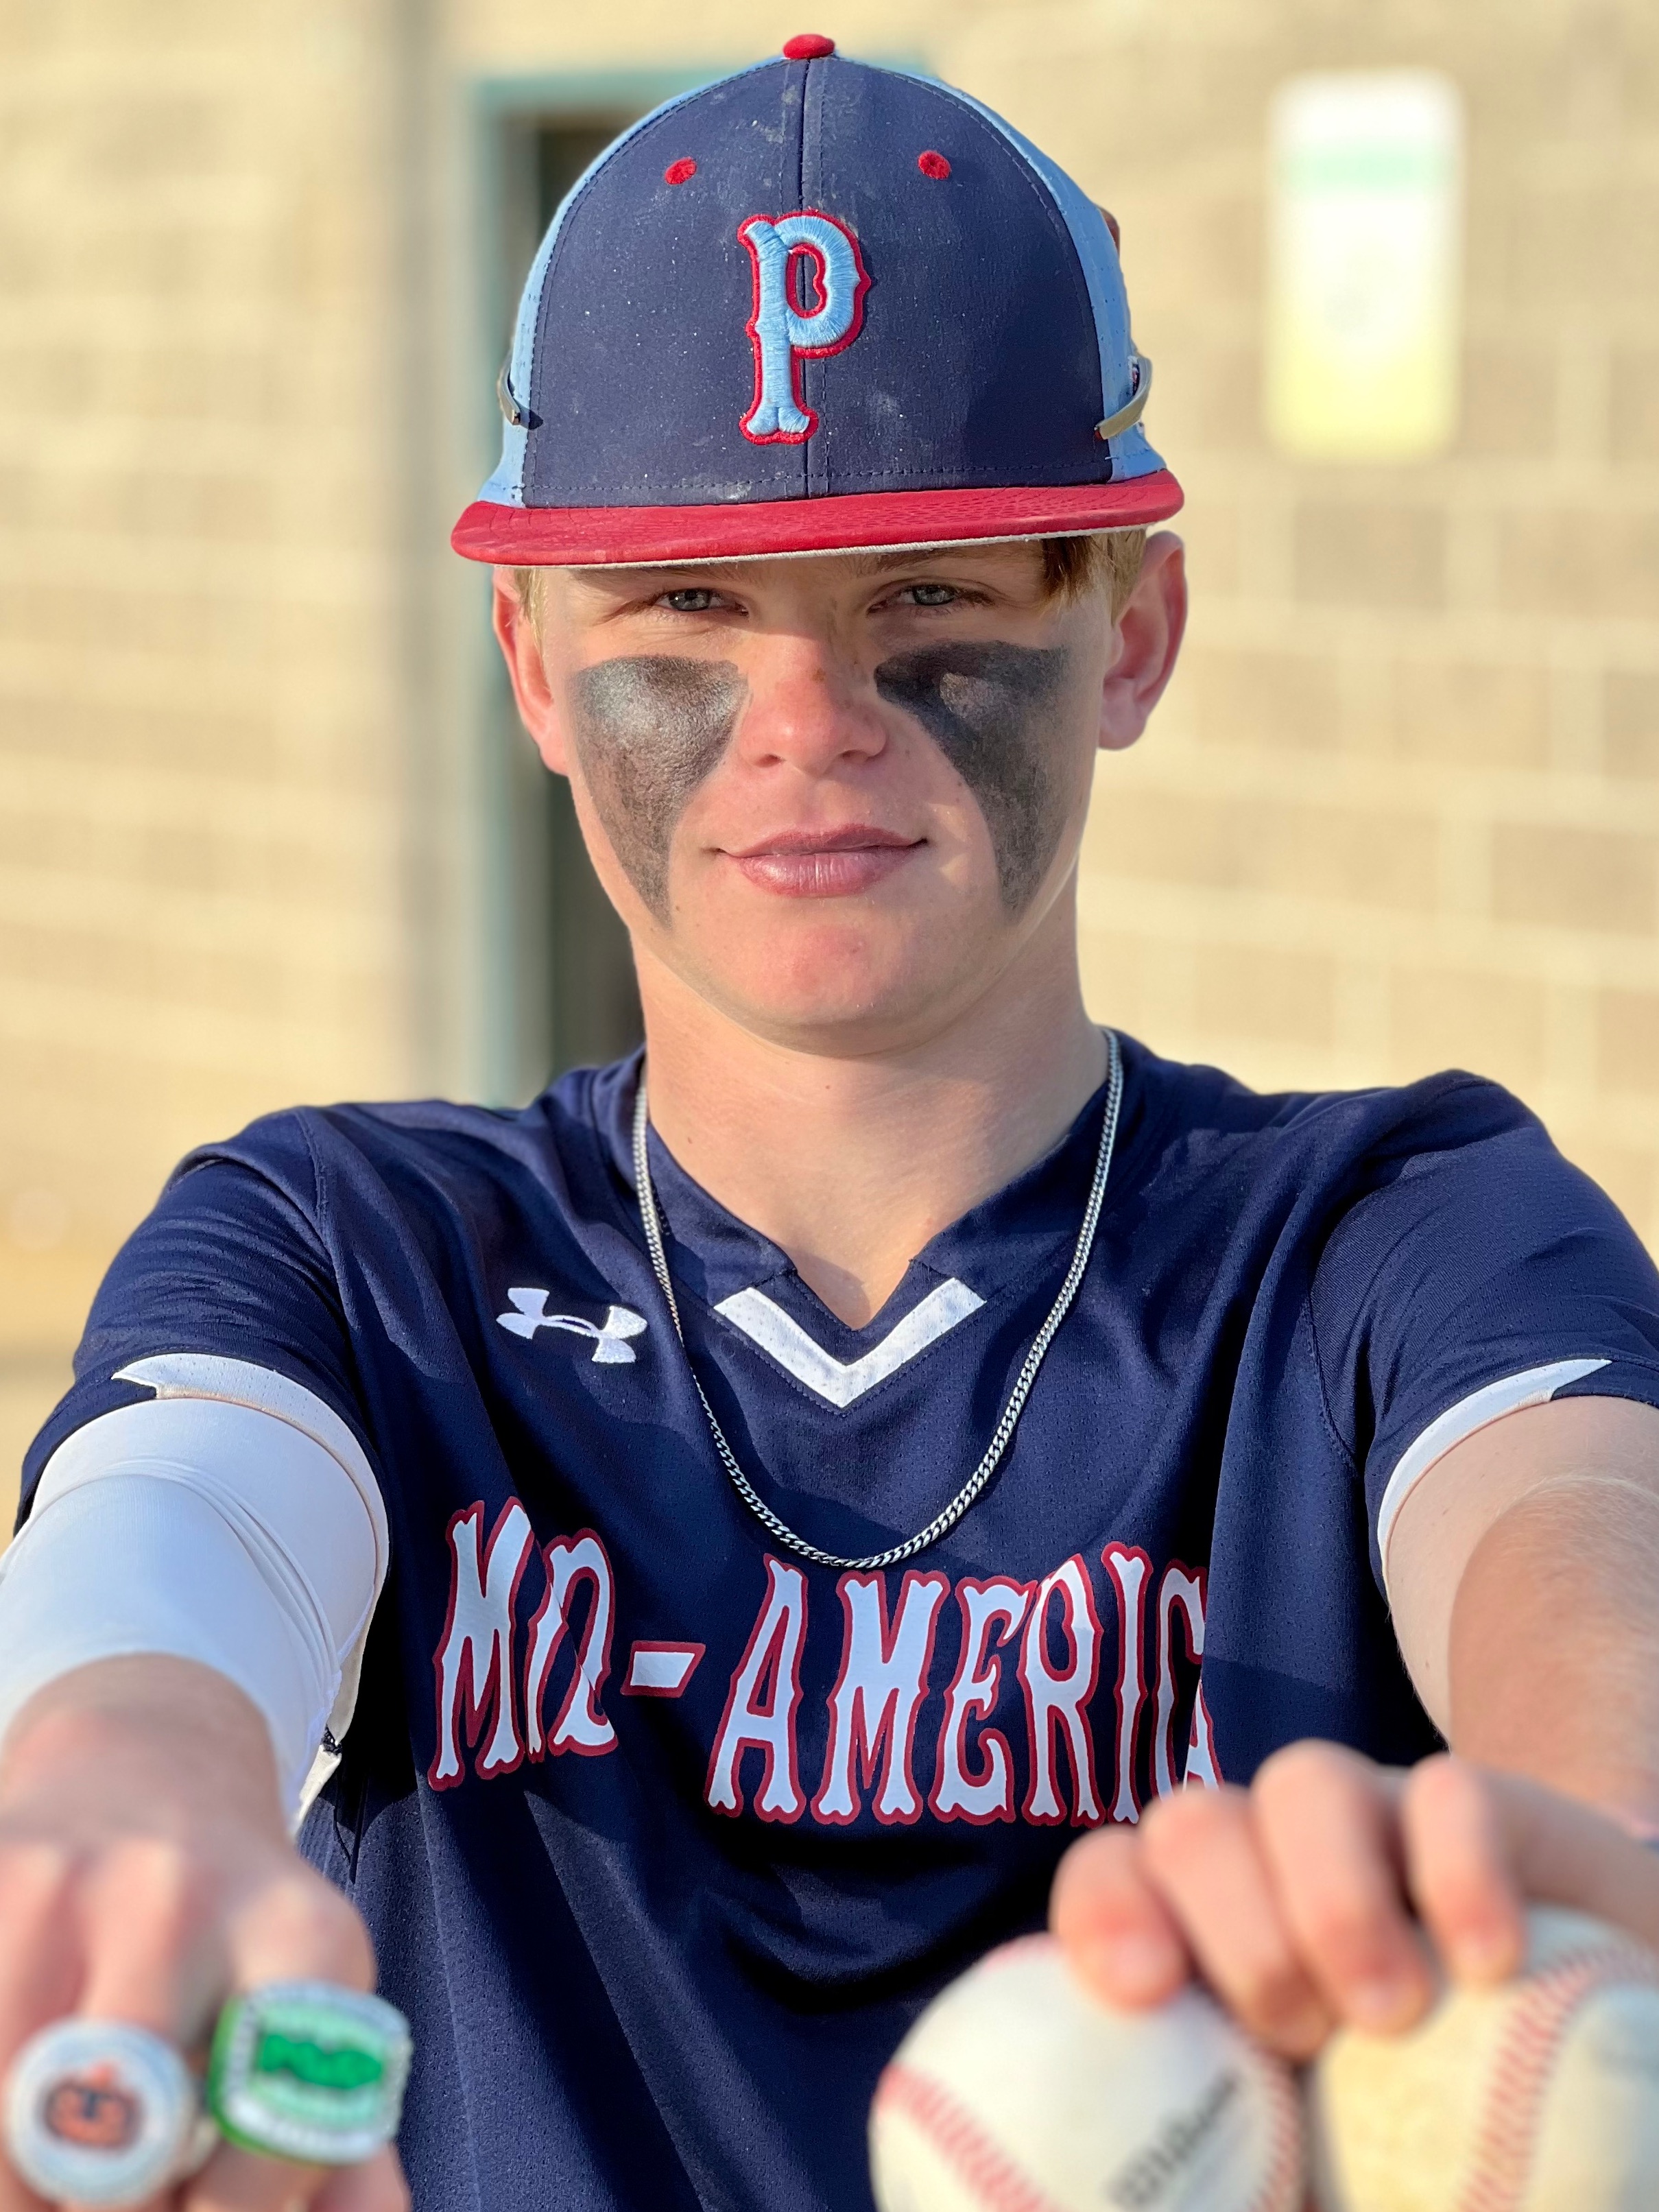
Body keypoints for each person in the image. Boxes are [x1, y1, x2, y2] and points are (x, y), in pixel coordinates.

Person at [3, 33, 1658, 2212]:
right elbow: (174, 1538)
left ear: (1130, 631)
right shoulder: (349, 1247)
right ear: (532, 660)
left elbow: (1580, 1542)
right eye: (685, 606)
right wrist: (120, 1789)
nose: (806, 719)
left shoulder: (1390, 1223)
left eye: (928, 601)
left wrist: (1576, 1839)